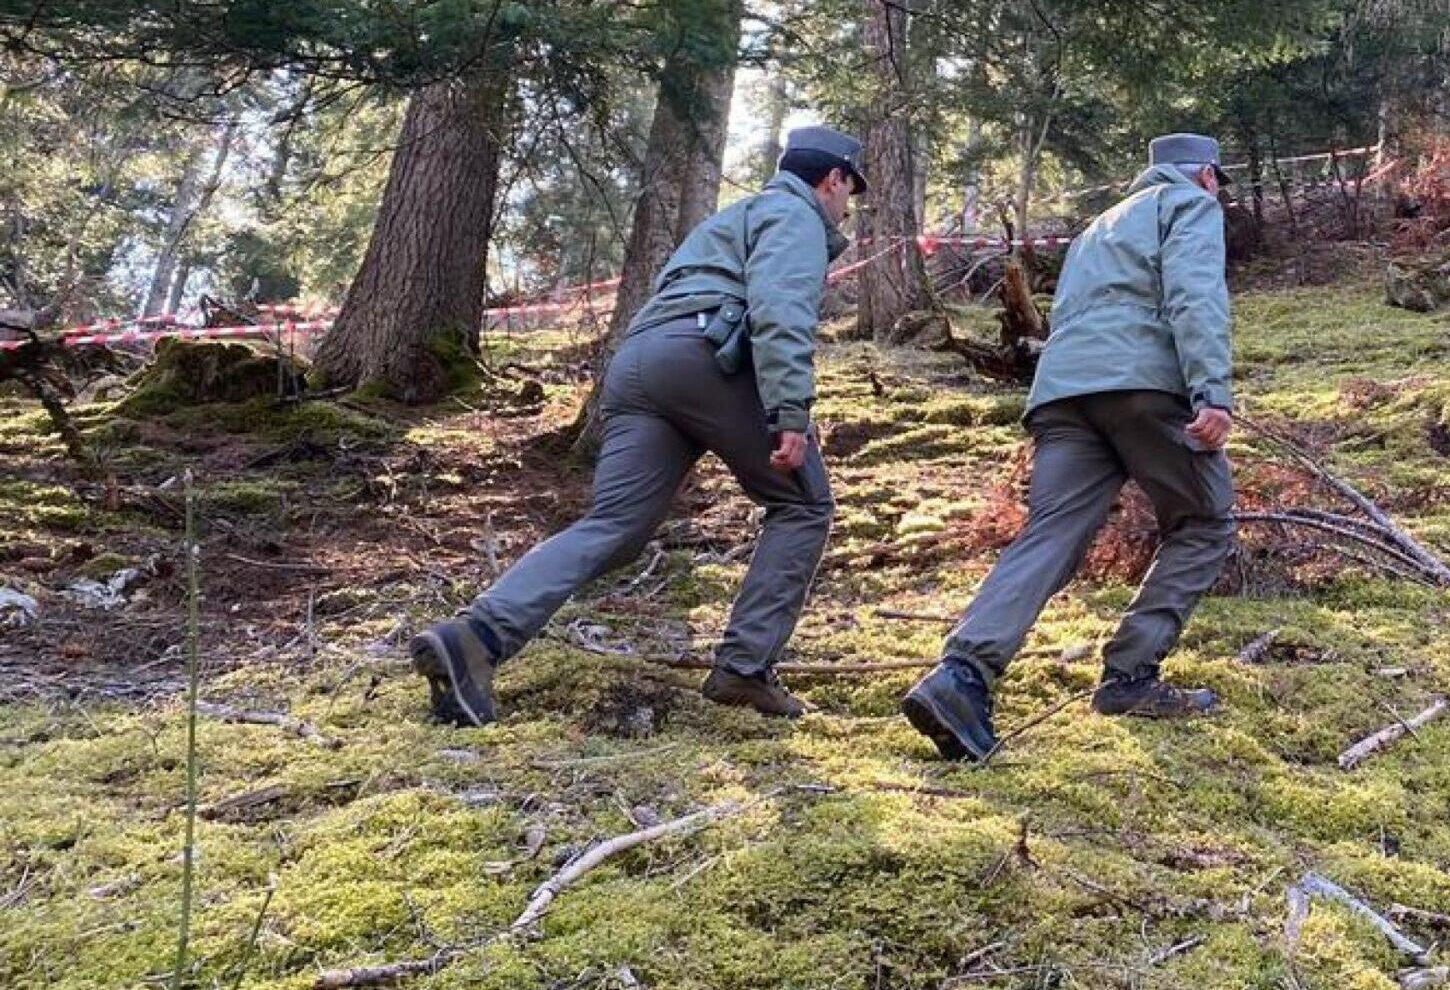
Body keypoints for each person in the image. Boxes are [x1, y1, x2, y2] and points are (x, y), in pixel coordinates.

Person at [410, 126, 866, 726]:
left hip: (639, 364)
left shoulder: (734, 218)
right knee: (804, 505)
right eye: (850, 193)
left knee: (616, 526)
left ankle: (476, 639)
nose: (846, 207)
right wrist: (790, 412)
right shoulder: (795, 216)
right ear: (832, 178)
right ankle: (744, 669)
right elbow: (781, 310)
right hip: (710, 357)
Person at [902, 133, 1239, 762]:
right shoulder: (1189, 206)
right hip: (1142, 387)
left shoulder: (1098, 227)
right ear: (1207, 177)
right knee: (1205, 519)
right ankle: (1131, 676)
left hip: (1064, 393)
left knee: (1051, 534)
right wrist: (1212, 391)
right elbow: (1195, 296)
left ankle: (963, 677)